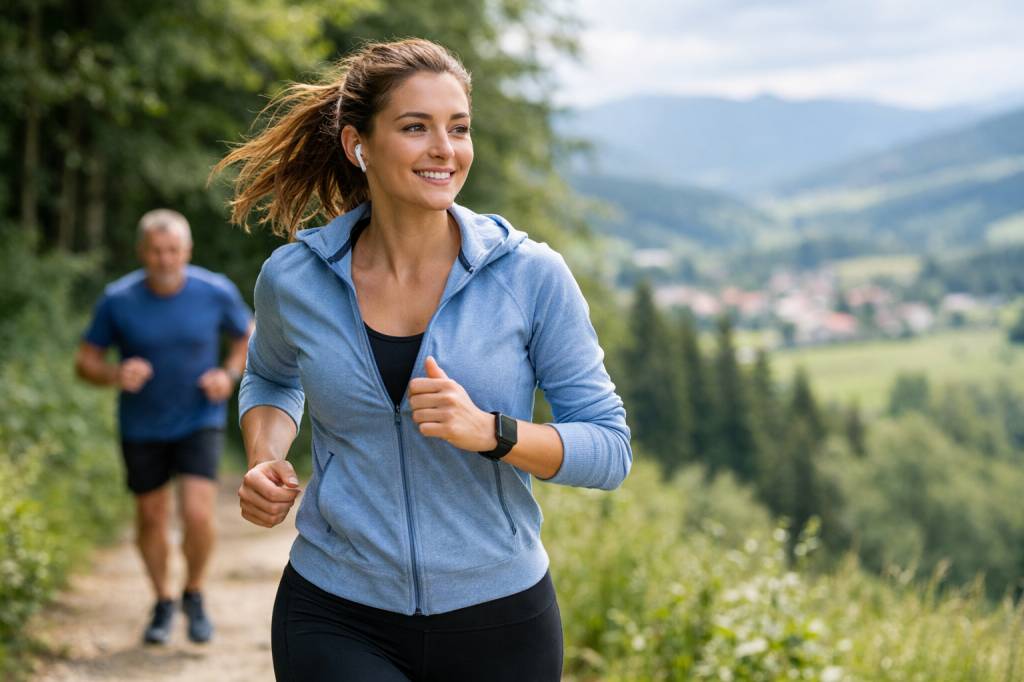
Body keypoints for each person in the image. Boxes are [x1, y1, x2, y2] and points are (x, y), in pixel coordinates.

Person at [212, 38, 631, 681]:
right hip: (335, 607)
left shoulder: (530, 275)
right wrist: (266, 457)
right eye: (416, 127)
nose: (445, 149)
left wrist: (492, 432)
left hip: (500, 617)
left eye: (458, 128)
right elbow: (271, 376)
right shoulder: (295, 278)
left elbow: (609, 449)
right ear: (359, 146)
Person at [75, 209, 254, 645]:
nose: (164, 259)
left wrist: (228, 374)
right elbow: (86, 361)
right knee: (151, 516)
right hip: (142, 423)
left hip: (199, 418)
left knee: (196, 513)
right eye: (155, 251)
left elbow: (247, 337)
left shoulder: (214, 291)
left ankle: (193, 592)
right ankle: (163, 600)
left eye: (173, 250)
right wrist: (116, 374)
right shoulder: (118, 299)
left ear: (187, 251)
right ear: (142, 253)